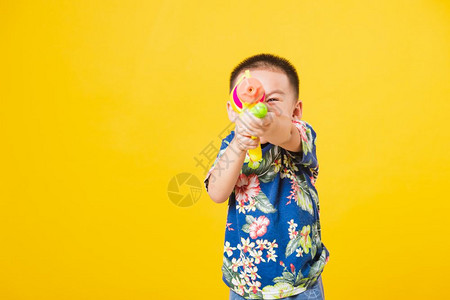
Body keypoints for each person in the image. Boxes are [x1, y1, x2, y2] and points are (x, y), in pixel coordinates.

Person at [204, 54, 330, 300]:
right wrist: (239, 145)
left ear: (296, 110)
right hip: (245, 285)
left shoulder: (298, 135)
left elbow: (284, 132)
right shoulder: (230, 147)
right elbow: (216, 193)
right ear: (232, 109)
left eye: (271, 99)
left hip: (300, 283)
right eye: (248, 98)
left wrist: (266, 122)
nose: (259, 105)